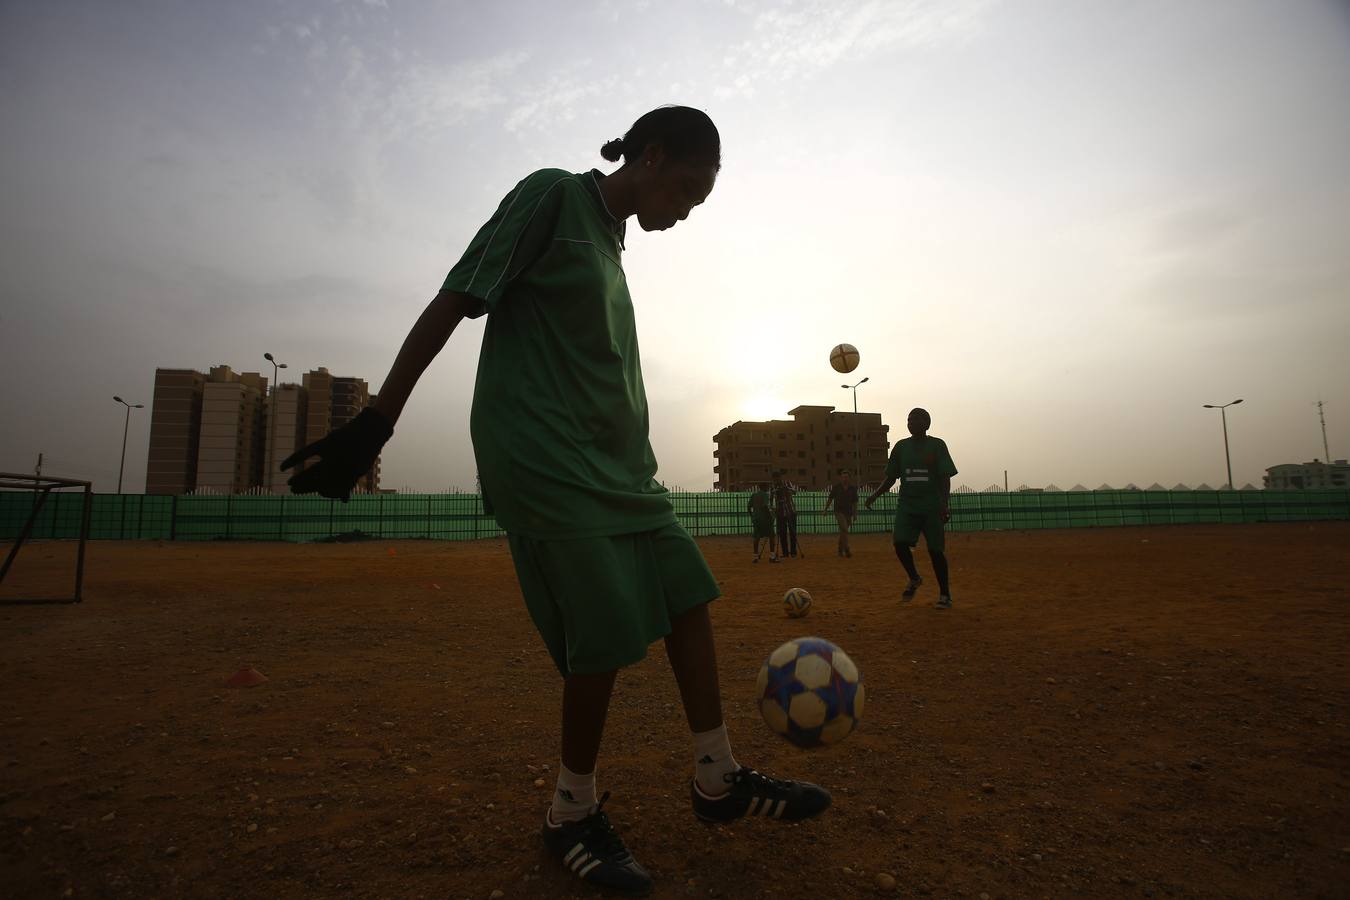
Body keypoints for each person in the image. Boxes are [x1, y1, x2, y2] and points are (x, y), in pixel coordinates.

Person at [280, 106, 829, 896]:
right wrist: (377, 419)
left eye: (699, 203)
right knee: (601, 635)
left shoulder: (614, 245)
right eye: (686, 188)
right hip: (541, 456)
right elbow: (455, 298)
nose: (686, 211)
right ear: (651, 155)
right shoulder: (551, 198)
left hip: (617, 470)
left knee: (687, 593)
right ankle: (570, 813)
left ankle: (718, 777)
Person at [864, 408, 958, 608]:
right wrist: (874, 495)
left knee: (935, 551)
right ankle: (914, 577)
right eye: (908, 419)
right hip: (907, 505)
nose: (910, 422)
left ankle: (945, 594)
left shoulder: (937, 445)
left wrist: (944, 503)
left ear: (927, 423)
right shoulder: (901, 447)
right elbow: (891, 477)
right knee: (899, 543)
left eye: (915, 419)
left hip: (932, 506)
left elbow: (944, 477)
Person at [822, 467, 859, 557]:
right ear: (841, 478)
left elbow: (855, 502)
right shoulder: (836, 488)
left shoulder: (852, 489)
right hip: (838, 512)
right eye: (843, 477)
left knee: (843, 532)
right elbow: (830, 499)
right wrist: (825, 509)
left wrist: (855, 514)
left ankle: (839, 549)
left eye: (846, 477)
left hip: (848, 512)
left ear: (849, 478)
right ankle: (847, 549)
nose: (845, 478)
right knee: (845, 529)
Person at [771, 470, 802, 558]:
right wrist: (773, 509)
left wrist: (786, 488)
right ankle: (785, 552)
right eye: (775, 479)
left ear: (780, 477)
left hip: (790, 511)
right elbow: (771, 498)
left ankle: (793, 552)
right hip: (780, 512)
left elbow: (795, 491)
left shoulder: (787, 483)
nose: (777, 480)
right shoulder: (773, 487)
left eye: (778, 478)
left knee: (793, 532)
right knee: (782, 533)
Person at [748, 482, 778, 563]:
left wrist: (752, 516)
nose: (768, 488)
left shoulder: (754, 495)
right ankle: (772, 557)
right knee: (771, 536)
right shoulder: (765, 495)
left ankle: (755, 557)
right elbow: (765, 506)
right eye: (767, 487)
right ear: (764, 487)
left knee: (756, 538)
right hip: (764, 519)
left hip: (756, 519)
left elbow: (748, 506)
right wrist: (770, 516)